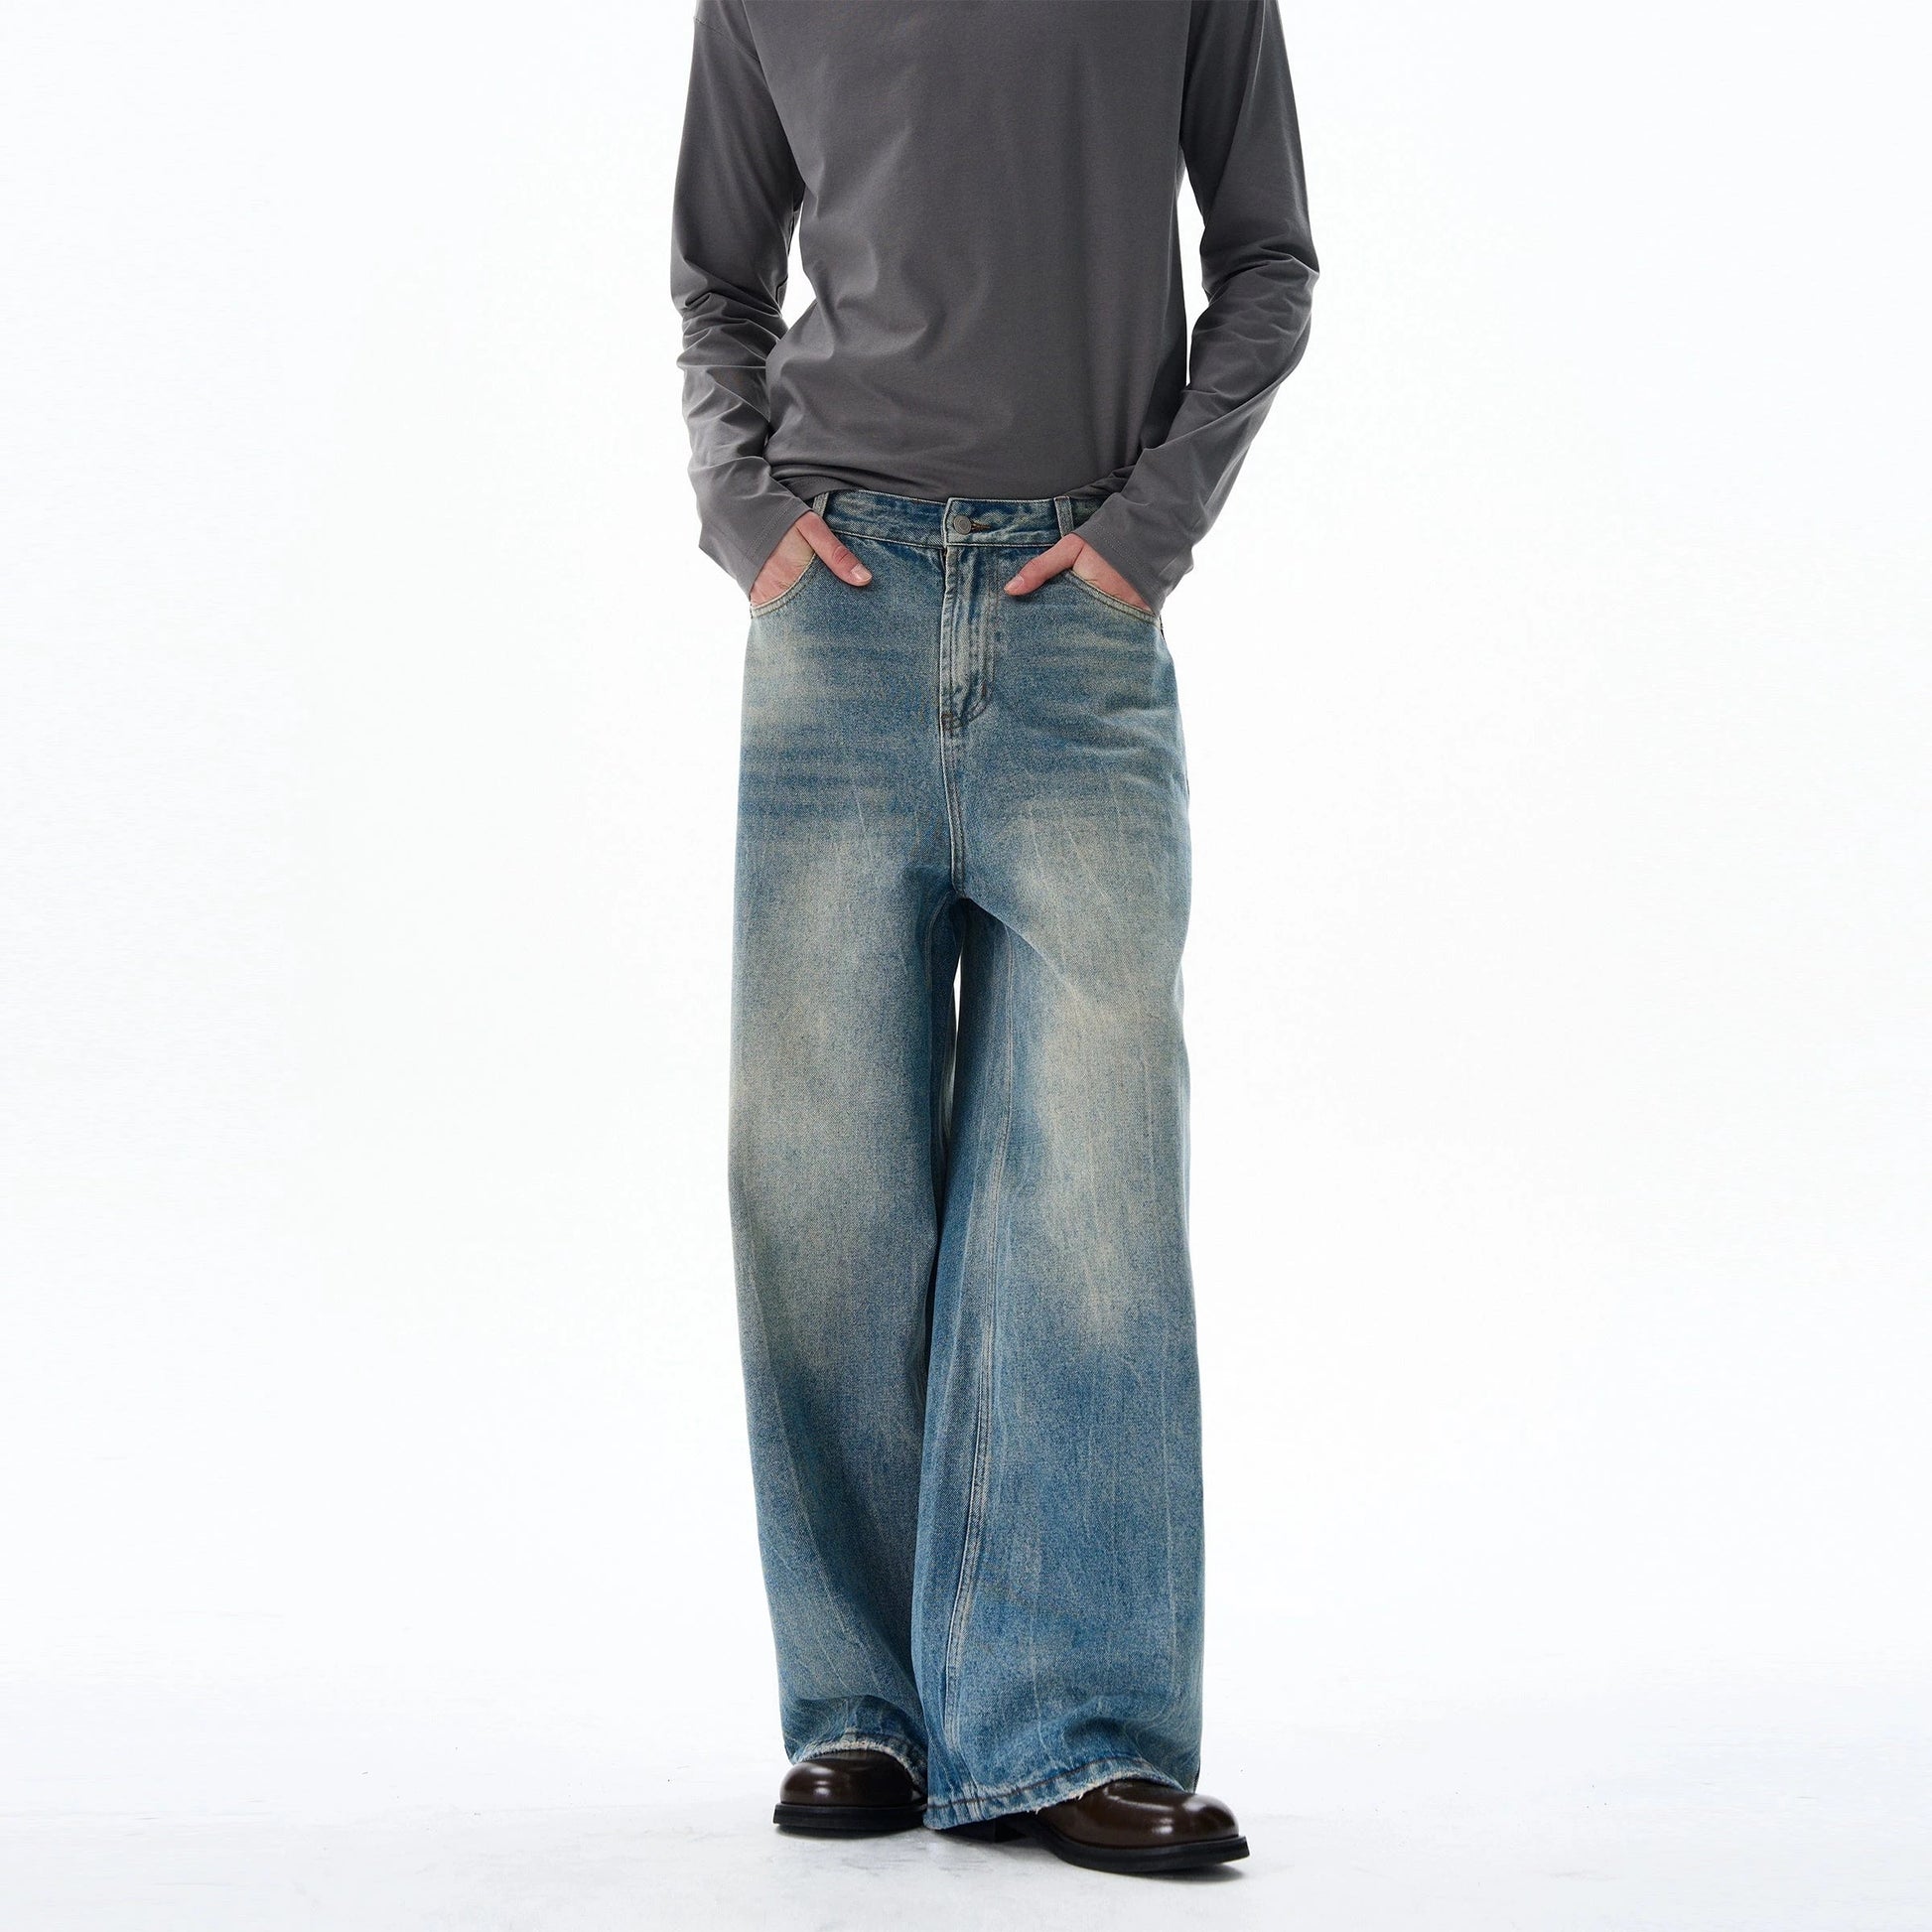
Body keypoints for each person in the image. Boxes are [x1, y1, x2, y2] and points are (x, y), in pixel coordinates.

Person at [670, 0, 1315, 1878]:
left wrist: (1147, 533)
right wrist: (737, 504)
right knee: (821, 1187)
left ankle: (1072, 1725)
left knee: (1088, 1189)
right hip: (835, 603)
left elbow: (1267, 261)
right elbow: (717, 278)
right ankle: (861, 1706)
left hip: (1076, 613)